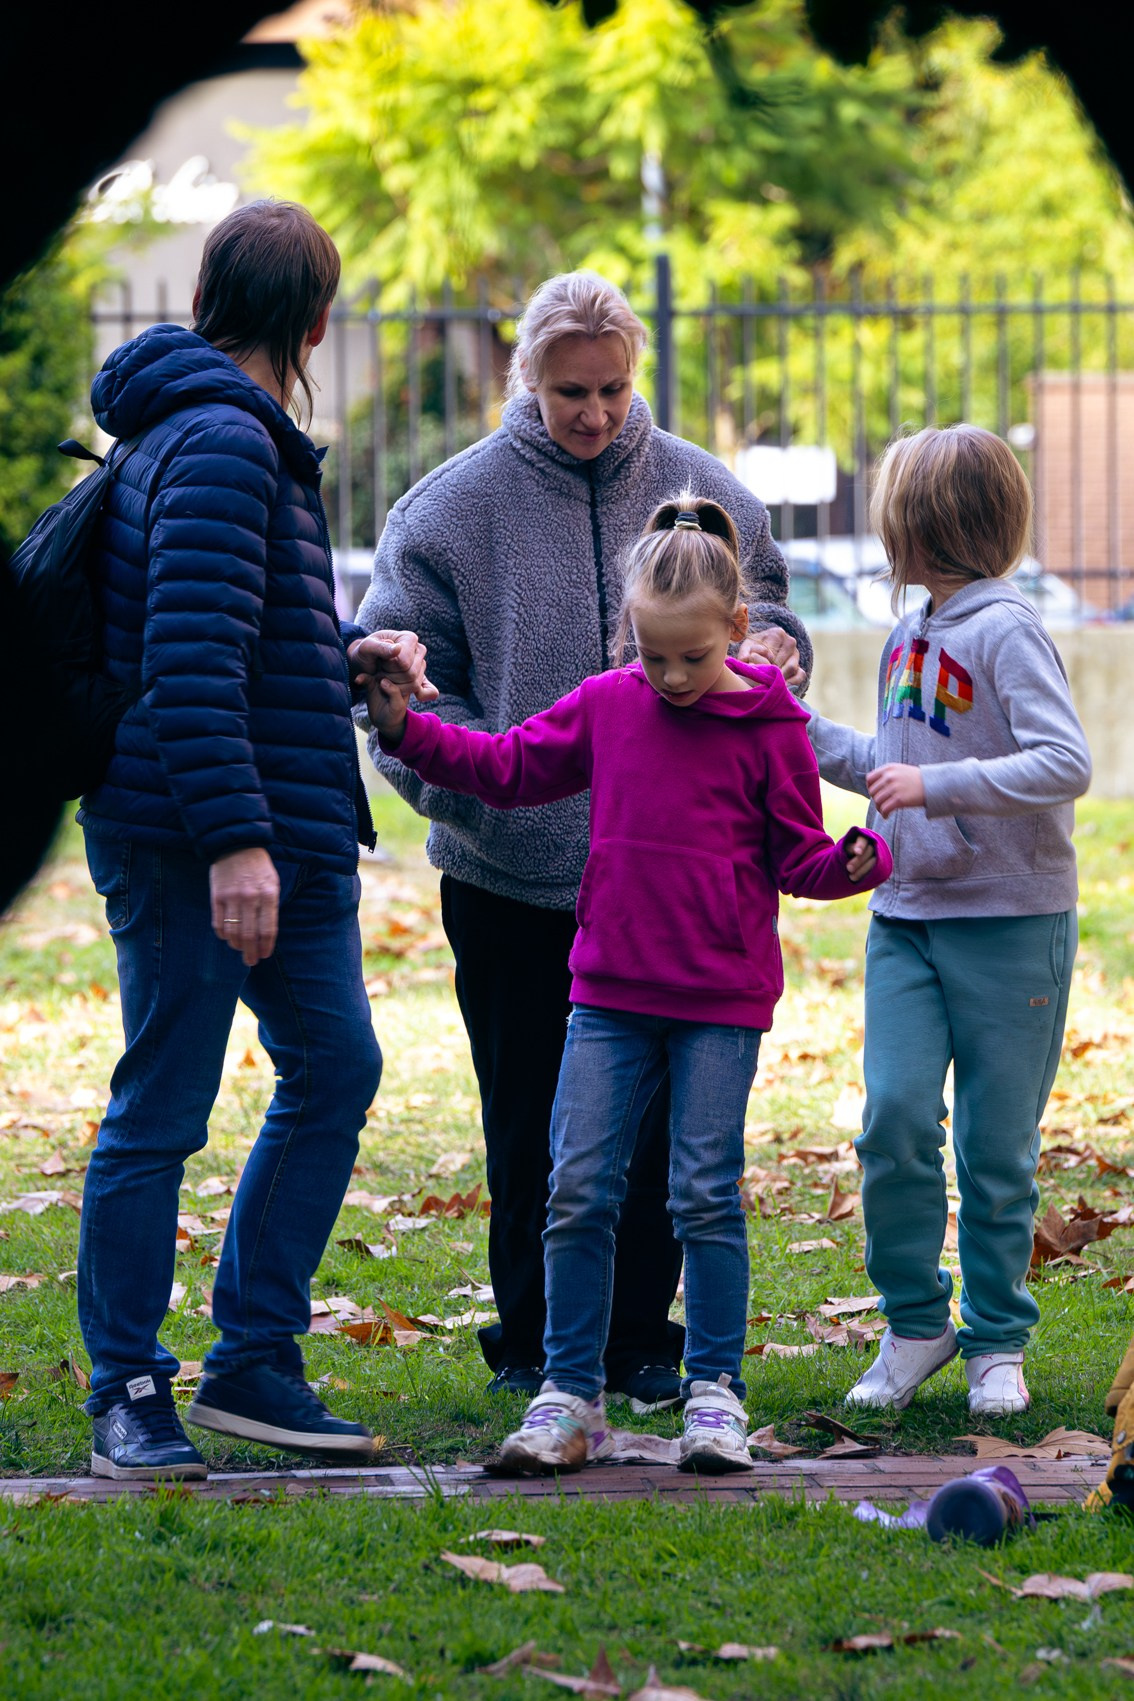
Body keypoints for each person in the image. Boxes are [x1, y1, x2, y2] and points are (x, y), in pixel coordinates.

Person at [356, 270, 812, 1408]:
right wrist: (482, 801)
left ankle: (645, 1340)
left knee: (662, 1137)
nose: (595, 412)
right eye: (570, 392)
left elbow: (767, 612)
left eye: (611, 389)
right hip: (510, 878)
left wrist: (780, 656)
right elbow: (397, 680)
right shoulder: (445, 511)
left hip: (676, 890)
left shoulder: (708, 491)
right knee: (533, 1128)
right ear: (529, 378)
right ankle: (533, 1342)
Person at [364, 495, 889, 1472]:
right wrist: (408, 731)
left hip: (720, 1005)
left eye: (693, 656)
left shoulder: (772, 726)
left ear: (738, 627)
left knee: (703, 1194)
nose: (673, 677)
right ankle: (570, 1396)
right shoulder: (610, 703)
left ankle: (715, 1394)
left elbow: (799, 859)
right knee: (576, 1189)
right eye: (652, 657)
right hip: (608, 995)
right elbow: (507, 768)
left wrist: (857, 862)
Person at [76, 200, 429, 1480]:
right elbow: (185, 663)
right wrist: (236, 844)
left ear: (208, 296)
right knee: (164, 1105)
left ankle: (253, 1363)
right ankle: (127, 1387)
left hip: (282, 826)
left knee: (335, 1066)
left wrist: (346, 656)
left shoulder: (221, 434)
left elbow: (242, 637)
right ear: (319, 322)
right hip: (199, 838)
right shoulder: (224, 440)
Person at [805, 425, 1092, 1418]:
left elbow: (1066, 762)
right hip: (908, 919)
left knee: (995, 1150)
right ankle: (917, 1322)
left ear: (923, 525)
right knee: (891, 1120)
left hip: (1013, 921)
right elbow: (890, 769)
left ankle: (997, 1340)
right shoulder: (907, 632)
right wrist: (788, 721)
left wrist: (940, 786)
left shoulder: (1006, 630)